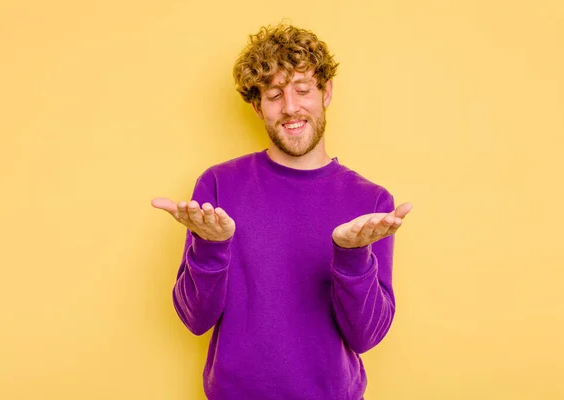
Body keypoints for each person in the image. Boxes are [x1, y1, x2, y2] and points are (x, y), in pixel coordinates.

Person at [151, 23, 413, 400]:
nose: (291, 107)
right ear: (258, 106)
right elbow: (194, 319)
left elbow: (366, 336)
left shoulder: (370, 203)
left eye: (303, 90)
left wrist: (353, 256)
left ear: (326, 92)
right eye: (274, 94)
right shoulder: (218, 185)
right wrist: (209, 248)